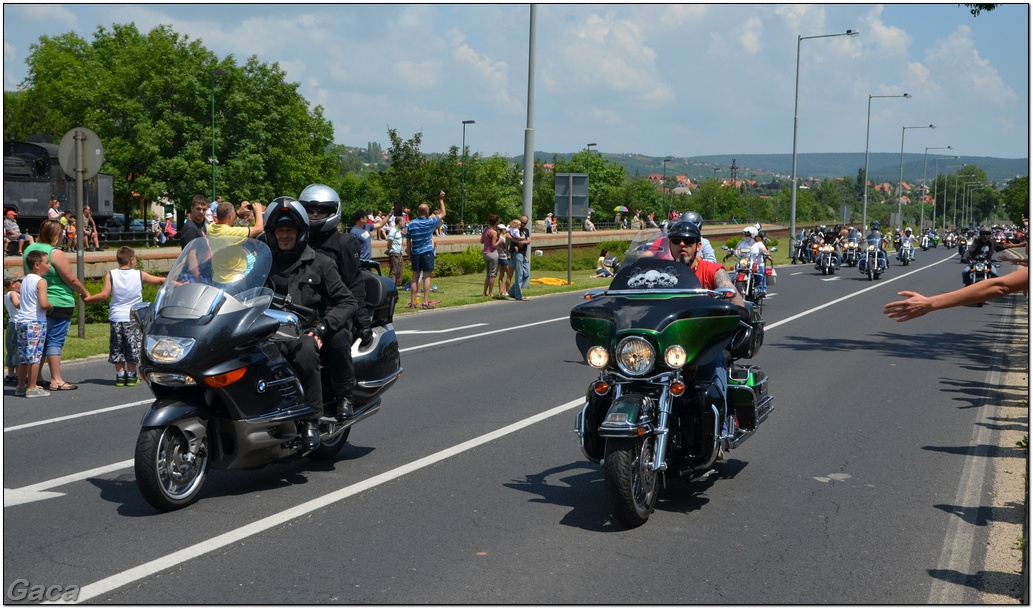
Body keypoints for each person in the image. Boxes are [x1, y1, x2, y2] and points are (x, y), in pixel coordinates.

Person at [264, 197, 357, 450]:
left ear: (300, 233)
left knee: (305, 350)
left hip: (304, 331)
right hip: (267, 332)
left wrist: (320, 329)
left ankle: (311, 420)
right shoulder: (263, 264)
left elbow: (347, 302)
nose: (284, 236)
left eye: (289, 231)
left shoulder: (320, 263)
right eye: (280, 231)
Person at [666, 220, 747, 438]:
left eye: (689, 241)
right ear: (670, 244)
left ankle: (719, 432)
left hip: (702, 342)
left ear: (698, 246)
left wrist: (735, 305)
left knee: (715, 362)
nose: (682, 244)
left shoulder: (711, 270)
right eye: (676, 240)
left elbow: (732, 294)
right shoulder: (661, 273)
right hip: (667, 342)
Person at [297, 183, 370, 421]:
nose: (315, 214)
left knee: (337, 340)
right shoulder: (297, 239)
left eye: (322, 210)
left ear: (333, 212)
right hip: (301, 309)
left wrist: (362, 320)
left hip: (334, 311)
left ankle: (344, 396)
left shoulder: (344, 243)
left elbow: (354, 283)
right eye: (310, 210)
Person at [82, 246, 166, 386]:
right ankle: (132, 376)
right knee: (132, 345)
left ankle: (120, 375)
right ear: (132, 259)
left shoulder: (111, 274)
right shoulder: (139, 274)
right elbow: (160, 281)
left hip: (116, 317)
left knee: (117, 346)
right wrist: (178, 282)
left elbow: (104, 295)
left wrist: (87, 299)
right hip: (133, 318)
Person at [23, 220, 90, 391]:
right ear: (54, 235)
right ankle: (56, 379)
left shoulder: (29, 250)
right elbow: (70, 279)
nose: (63, 237)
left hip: (38, 301)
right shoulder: (55, 253)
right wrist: (84, 292)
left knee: (41, 341)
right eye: (61, 233)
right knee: (55, 340)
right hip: (59, 301)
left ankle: (36, 377)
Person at [885, 266, 1029, 322]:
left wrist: (931, 303)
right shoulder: (976, 241)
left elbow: (1000, 286)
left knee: (994, 273)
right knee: (966, 271)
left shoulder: (991, 242)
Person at [15, 250, 53, 398]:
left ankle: (20, 386)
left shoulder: (26, 279)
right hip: (36, 322)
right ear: (37, 265)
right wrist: (51, 306)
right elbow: (43, 304)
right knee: (35, 356)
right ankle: (32, 387)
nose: (49, 266)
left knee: (24, 356)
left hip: (22, 321)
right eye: (47, 263)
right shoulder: (41, 281)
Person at [207, 201, 265, 286]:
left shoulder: (211, 228)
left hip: (217, 278)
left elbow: (227, 220)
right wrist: (258, 212)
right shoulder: (230, 233)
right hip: (235, 280)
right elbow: (259, 229)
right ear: (231, 216)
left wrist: (238, 212)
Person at [406, 191, 446, 309]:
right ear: (427, 212)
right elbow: (443, 213)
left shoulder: (412, 224)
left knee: (415, 277)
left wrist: (408, 251)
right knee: (427, 276)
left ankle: (413, 302)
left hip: (416, 252)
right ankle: (425, 302)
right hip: (427, 252)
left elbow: (408, 239)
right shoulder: (430, 222)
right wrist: (441, 200)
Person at [507, 217, 531, 301]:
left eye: (525, 223)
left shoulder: (526, 230)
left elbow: (528, 240)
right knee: (519, 274)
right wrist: (517, 242)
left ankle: (512, 291)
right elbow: (507, 236)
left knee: (526, 274)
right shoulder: (515, 229)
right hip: (517, 253)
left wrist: (524, 242)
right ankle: (518, 295)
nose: (523, 224)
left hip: (523, 254)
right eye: (522, 222)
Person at [4, 272, 22, 384]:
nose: (21, 283)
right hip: (17, 323)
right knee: (18, 349)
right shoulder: (13, 294)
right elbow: (17, 304)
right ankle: (18, 373)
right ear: (12, 283)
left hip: (11, 323)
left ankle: (11, 373)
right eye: (19, 281)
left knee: (10, 349)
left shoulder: (6, 294)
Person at [481, 214, 504, 297]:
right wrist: (500, 240)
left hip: (485, 253)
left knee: (488, 274)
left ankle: (484, 292)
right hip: (492, 253)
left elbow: (481, 241)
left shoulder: (486, 229)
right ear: (496, 222)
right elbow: (494, 245)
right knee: (493, 274)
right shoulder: (493, 232)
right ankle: (490, 293)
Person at [385, 221, 405, 288]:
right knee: (394, 271)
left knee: (399, 271)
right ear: (399, 222)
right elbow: (389, 241)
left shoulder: (398, 230)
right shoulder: (393, 230)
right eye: (403, 221)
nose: (404, 222)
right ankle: (391, 287)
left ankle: (395, 287)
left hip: (399, 253)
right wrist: (389, 250)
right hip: (394, 253)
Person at [496, 223, 513, 296]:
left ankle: (500, 291)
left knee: (501, 275)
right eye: (504, 229)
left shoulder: (496, 237)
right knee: (509, 274)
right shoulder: (502, 238)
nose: (505, 230)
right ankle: (505, 290)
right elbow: (506, 248)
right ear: (502, 230)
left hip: (498, 257)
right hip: (504, 257)